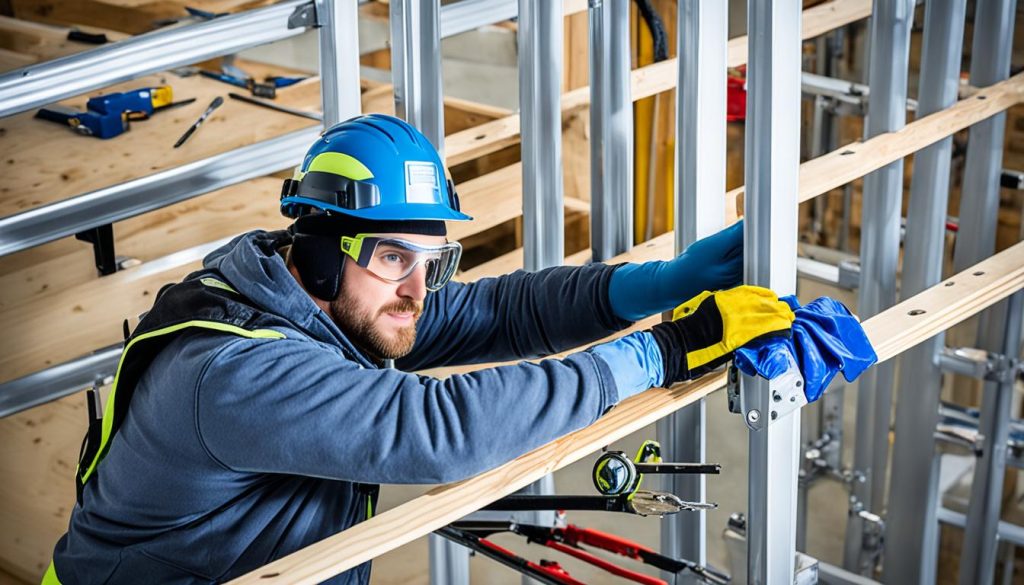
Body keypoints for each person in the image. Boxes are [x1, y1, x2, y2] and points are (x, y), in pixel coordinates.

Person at [46, 114, 795, 584]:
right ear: (315, 254)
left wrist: (650, 286)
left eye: (432, 262)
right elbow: (437, 431)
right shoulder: (236, 372)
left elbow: (496, 308)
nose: (417, 291)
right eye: (394, 257)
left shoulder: (339, 307)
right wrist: (663, 351)